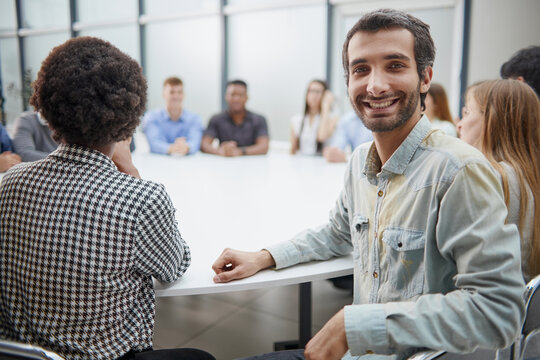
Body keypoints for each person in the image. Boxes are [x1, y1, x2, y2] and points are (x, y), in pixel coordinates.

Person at [211, 9, 525, 360]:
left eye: (394, 65)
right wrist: (265, 256)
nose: (375, 85)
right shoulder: (361, 160)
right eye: (361, 69)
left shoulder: (457, 172)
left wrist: (355, 325)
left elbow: (498, 311)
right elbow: (337, 233)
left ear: (425, 78)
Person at [0, 37, 215, 360]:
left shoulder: (9, 182)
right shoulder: (141, 199)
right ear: (127, 114)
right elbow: (175, 265)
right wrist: (129, 167)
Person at [457, 79, 540, 282]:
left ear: (491, 120)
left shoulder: (485, 176)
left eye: (467, 112)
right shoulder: (529, 176)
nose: (459, 123)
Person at [201, 80, 269, 156]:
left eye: (240, 95)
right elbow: (204, 144)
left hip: (252, 164)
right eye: (232, 94)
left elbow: (263, 147)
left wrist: (240, 151)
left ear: (247, 97)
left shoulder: (259, 120)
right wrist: (220, 151)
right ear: (226, 96)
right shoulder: (216, 119)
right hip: (223, 163)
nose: (236, 99)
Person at [143, 76, 203, 156]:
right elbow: (153, 143)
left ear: (184, 95)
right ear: (163, 94)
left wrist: (186, 147)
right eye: (172, 92)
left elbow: (195, 142)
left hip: (187, 163)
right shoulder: (152, 117)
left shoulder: (194, 119)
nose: (176, 96)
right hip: (158, 163)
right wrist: (172, 148)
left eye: (179, 92)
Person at [290, 80, 338, 155]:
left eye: (318, 92)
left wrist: (326, 106)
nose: (313, 95)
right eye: (311, 91)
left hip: (322, 164)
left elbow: (322, 136)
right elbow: (293, 150)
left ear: (325, 95)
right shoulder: (297, 119)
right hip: (300, 163)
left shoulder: (333, 118)